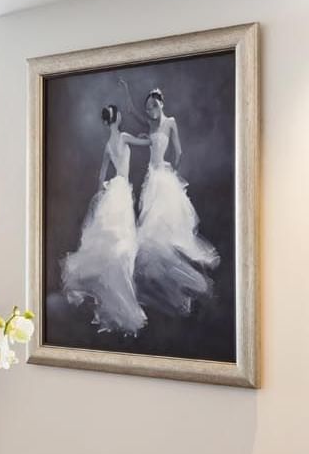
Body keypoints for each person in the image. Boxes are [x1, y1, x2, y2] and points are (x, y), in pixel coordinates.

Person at [60, 104, 148, 334]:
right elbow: (148, 143)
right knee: (123, 241)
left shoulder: (108, 145)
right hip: (121, 191)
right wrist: (144, 135)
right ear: (117, 119)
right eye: (119, 114)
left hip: (112, 191)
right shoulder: (125, 137)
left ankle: (114, 290)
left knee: (113, 242)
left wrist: (100, 198)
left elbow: (100, 176)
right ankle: (123, 293)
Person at [132, 87, 219, 314]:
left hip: (163, 177)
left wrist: (173, 174)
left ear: (161, 103)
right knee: (151, 229)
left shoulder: (170, 122)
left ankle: (181, 280)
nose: (150, 111)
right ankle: (172, 283)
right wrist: (125, 93)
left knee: (162, 226)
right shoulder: (151, 125)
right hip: (152, 177)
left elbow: (178, 152)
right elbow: (133, 113)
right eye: (148, 108)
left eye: (153, 106)